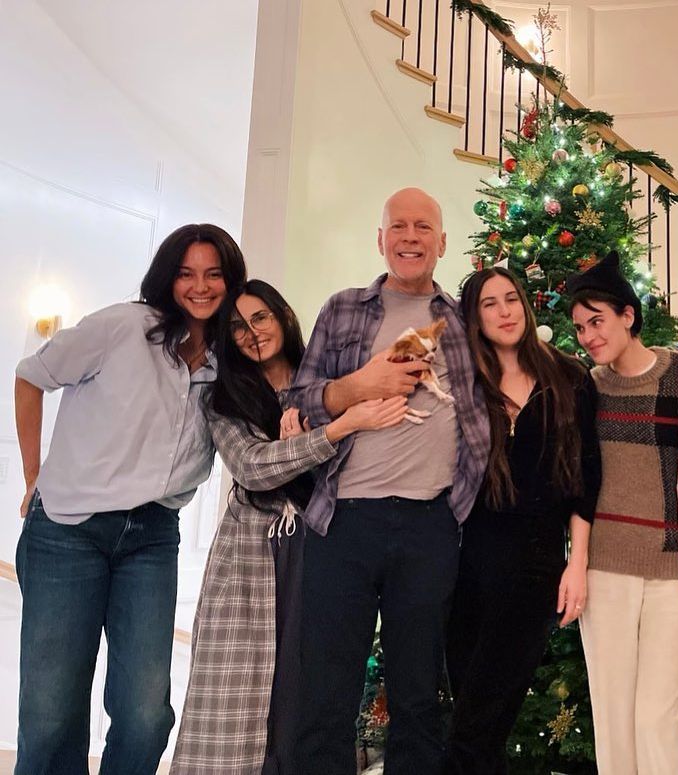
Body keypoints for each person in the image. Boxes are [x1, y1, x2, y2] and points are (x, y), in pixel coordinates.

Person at [14, 224, 246, 774]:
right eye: (187, 273)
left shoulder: (229, 360)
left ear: (230, 281)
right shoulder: (122, 327)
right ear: (167, 278)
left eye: (214, 274)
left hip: (153, 536)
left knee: (146, 715)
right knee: (50, 716)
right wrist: (32, 477)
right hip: (68, 529)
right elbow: (31, 377)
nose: (200, 286)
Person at [290, 187, 490, 774]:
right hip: (342, 521)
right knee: (325, 691)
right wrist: (362, 386)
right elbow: (300, 397)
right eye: (397, 226)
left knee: (418, 696)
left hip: (429, 525)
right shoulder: (344, 309)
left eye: (422, 227)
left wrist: (455, 511)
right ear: (380, 240)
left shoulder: (462, 323)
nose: (410, 236)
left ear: (442, 243)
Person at [170, 280, 408, 773]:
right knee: (237, 695)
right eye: (237, 326)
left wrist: (323, 435)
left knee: (309, 689)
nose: (252, 332)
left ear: (282, 316)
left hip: (323, 546)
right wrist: (338, 429)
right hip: (250, 557)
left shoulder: (324, 385)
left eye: (260, 317)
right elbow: (255, 467)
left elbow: (356, 467)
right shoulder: (223, 398)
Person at [445, 267, 601, 774]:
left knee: (484, 713)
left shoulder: (570, 377)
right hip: (464, 564)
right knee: (473, 714)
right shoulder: (461, 381)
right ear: (474, 316)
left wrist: (577, 564)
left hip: (536, 564)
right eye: (490, 304)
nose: (505, 311)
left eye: (511, 299)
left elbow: (585, 477)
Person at [566, 251, 678, 775]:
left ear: (628, 315)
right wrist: (576, 560)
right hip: (605, 568)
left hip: (677, 567)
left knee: (657, 719)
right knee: (613, 714)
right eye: (578, 327)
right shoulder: (586, 388)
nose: (588, 335)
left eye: (597, 320)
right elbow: (576, 479)